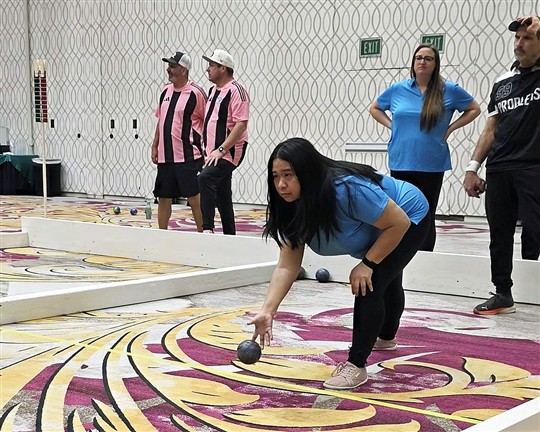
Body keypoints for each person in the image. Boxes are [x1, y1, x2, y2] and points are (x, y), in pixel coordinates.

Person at [249, 137, 430, 390]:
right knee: (387, 279)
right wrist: (268, 310)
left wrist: (367, 263)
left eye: (288, 175)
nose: (281, 184)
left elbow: (398, 222)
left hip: (408, 214)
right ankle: (386, 338)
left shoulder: (348, 189)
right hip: (379, 225)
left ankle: (356, 364)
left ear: (307, 172)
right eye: (276, 176)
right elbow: (287, 266)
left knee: (371, 281)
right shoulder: (290, 206)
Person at [463, 15, 540, 315]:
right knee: (500, 235)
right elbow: (490, 129)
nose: (519, 43)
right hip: (499, 168)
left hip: (532, 167)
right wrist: (473, 168)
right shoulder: (502, 81)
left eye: (527, 38)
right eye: (517, 38)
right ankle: (502, 293)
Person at [369, 44, 480, 251]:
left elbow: (474, 108)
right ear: (413, 62)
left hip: (431, 162)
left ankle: (426, 255)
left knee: (426, 213)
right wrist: (392, 125)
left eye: (428, 58)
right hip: (401, 160)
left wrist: (450, 128)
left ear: (435, 64)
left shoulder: (449, 89)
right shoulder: (398, 89)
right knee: (401, 212)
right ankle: (399, 254)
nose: (422, 62)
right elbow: (375, 108)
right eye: (418, 58)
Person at [151, 51, 207, 231]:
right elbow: (161, 119)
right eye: (169, 66)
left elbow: (207, 122)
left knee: (194, 198)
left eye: (173, 66)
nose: (168, 69)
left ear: (184, 70)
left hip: (188, 156)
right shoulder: (165, 90)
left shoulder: (196, 93)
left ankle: (203, 233)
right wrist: (155, 145)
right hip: (166, 157)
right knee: (163, 197)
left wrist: (208, 149)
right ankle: (162, 234)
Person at [198, 49, 250, 234]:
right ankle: (230, 235)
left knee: (205, 178)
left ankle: (207, 228)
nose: (208, 69)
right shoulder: (213, 90)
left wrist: (221, 149)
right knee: (223, 194)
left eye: (212, 65)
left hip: (229, 151)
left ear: (223, 68)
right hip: (213, 152)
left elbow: (241, 124)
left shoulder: (237, 91)